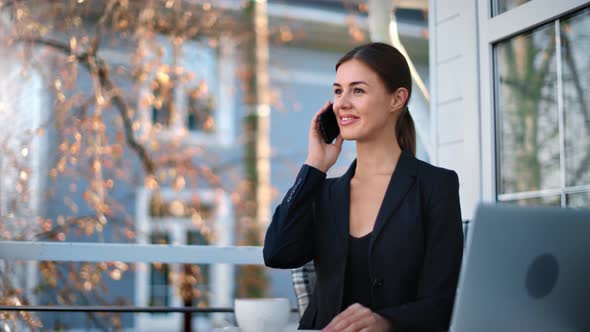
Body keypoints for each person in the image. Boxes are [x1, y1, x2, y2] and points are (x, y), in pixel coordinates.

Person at [263, 42, 463, 332]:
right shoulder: (324, 192)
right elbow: (278, 253)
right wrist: (314, 166)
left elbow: (442, 302)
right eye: (337, 91)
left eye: (357, 90)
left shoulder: (435, 187)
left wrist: (387, 322)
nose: (342, 102)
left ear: (397, 99)